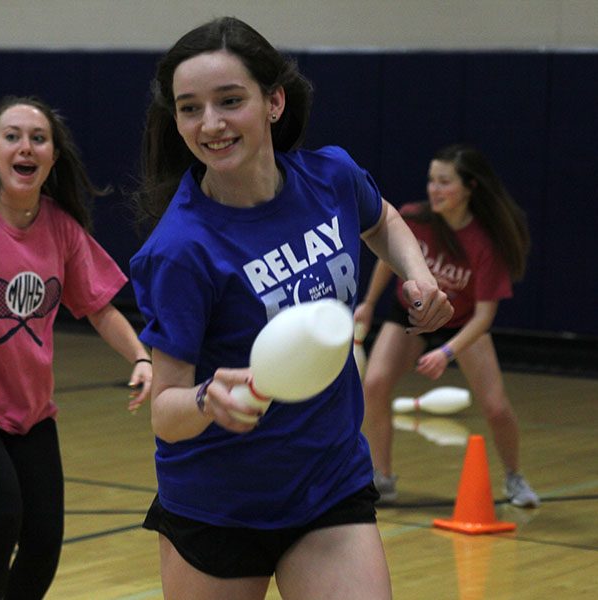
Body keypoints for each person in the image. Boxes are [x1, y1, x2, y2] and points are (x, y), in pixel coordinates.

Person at [129, 17, 453, 600]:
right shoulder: (181, 250)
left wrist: (419, 275)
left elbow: (383, 222)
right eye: (190, 109)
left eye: (230, 101)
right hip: (218, 508)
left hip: (328, 485)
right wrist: (208, 399)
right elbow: (166, 413)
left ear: (274, 101)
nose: (211, 124)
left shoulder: (331, 176)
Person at [0, 95, 152, 598]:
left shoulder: (60, 226)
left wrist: (141, 357)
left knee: (43, 542)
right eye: (12, 136)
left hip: (30, 412)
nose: (26, 146)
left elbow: (100, 307)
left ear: (52, 157)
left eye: (38, 139)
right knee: (1, 515)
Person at [354, 143, 540, 508]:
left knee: (496, 407)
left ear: (470, 187)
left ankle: (515, 478)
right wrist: (368, 304)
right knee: (374, 384)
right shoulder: (414, 218)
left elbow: (484, 318)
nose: (434, 190)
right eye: (431, 181)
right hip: (410, 311)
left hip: (461, 322)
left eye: (444, 182)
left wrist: (446, 352)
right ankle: (383, 477)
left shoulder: (486, 243)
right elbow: (386, 260)